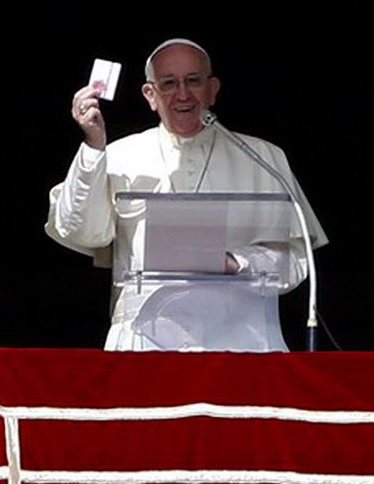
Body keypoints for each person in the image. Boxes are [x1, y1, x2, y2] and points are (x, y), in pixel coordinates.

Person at [46, 38, 327, 351]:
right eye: (168, 83)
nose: (182, 94)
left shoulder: (262, 157)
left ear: (212, 89)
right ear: (150, 95)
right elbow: (82, 231)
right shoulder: (116, 156)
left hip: (242, 339)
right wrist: (93, 145)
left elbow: (297, 260)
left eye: (193, 81)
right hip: (143, 341)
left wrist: (236, 262)